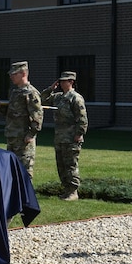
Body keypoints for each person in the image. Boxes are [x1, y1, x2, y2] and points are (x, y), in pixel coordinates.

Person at [40, 71, 88, 200]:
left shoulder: (75, 98)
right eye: (60, 81)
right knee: (61, 164)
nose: (61, 83)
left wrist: (79, 134)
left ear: (71, 82)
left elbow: (82, 118)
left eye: (64, 81)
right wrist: (50, 89)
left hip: (71, 136)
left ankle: (73, 191)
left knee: (70, 164)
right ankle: (66, 189)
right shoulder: (58, 97)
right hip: (60, 136)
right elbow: (40, 99)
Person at [0, 62, 42, 178]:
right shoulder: (15, 92)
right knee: (13, 169)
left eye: (14, 74)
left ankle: (26, 195)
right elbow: (13, 112)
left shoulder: (31, 93)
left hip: (23, 138)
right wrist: (1, 106)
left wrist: (31, 134)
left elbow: (37, 115)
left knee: (24, 169)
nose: (11, 76)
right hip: (12, 136)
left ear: (23, 73)